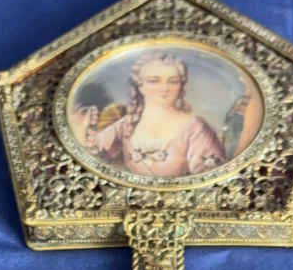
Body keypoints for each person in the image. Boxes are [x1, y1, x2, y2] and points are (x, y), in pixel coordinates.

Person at [70, 51, 226, 177]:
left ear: (181, 86)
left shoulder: (196, 128)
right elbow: (94, 154)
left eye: (173, 81)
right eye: (154, 81)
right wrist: (82, 127)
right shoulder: (127, 124)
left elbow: (210, 177)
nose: (164, 88)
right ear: (140, 86)